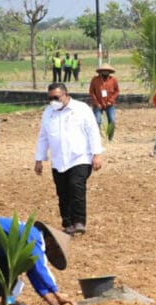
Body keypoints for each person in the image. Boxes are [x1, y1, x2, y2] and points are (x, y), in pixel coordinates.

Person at [35, 83, 104, 235]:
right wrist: (39, 159)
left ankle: (79, 221)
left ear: (65, 95)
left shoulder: (81, 109)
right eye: (50, 98)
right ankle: (68, 223)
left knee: (76, 186)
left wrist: (97, 154)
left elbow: (93, 131)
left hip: (80, 157)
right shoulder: (48, 113)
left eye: (57, 97)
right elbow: (43, 137)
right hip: (59, 160)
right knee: (63, 192)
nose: (54, 101)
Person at [88, 63, 120, 139]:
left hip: (109, 104)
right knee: (97, 121)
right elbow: (91, 92)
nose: (105, 72)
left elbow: (117, 91)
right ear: (100, 71)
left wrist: (111, 100)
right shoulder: (95, 80)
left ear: (109, 72)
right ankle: (97, 138)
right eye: (104, 71)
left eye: (107, 71)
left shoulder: (113, 80)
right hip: (98, 104)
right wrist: (96, 103)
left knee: (112, 120)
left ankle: (110, 138)